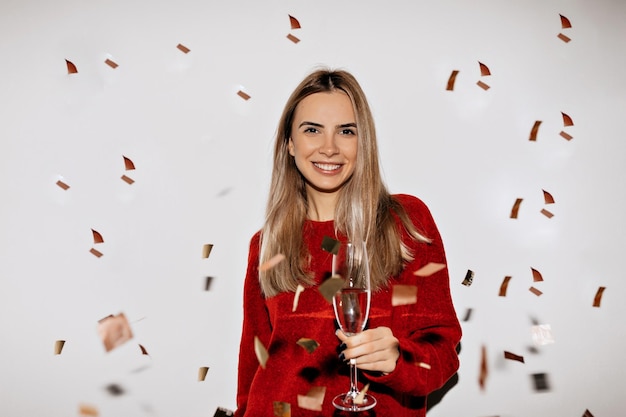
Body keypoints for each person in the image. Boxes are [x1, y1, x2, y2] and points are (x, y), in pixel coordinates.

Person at [234, 68, 461, 416]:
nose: (329, 147)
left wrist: (398, 360)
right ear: (289, 143)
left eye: (346, 131)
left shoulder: (406, 222)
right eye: (312, 130)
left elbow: (443, 351)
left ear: (363, 141)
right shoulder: (266, 244)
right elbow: (254, 366)